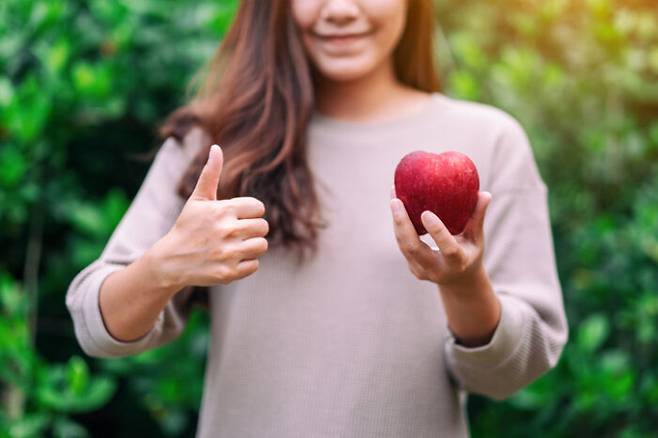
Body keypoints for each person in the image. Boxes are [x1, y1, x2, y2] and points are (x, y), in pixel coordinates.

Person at [66, 0, 568, 436]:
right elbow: (95, 325)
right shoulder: (218, 143)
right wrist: (163, 267)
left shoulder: (490, 141)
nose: (340, 10)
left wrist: (463, 285)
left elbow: (511, 375)